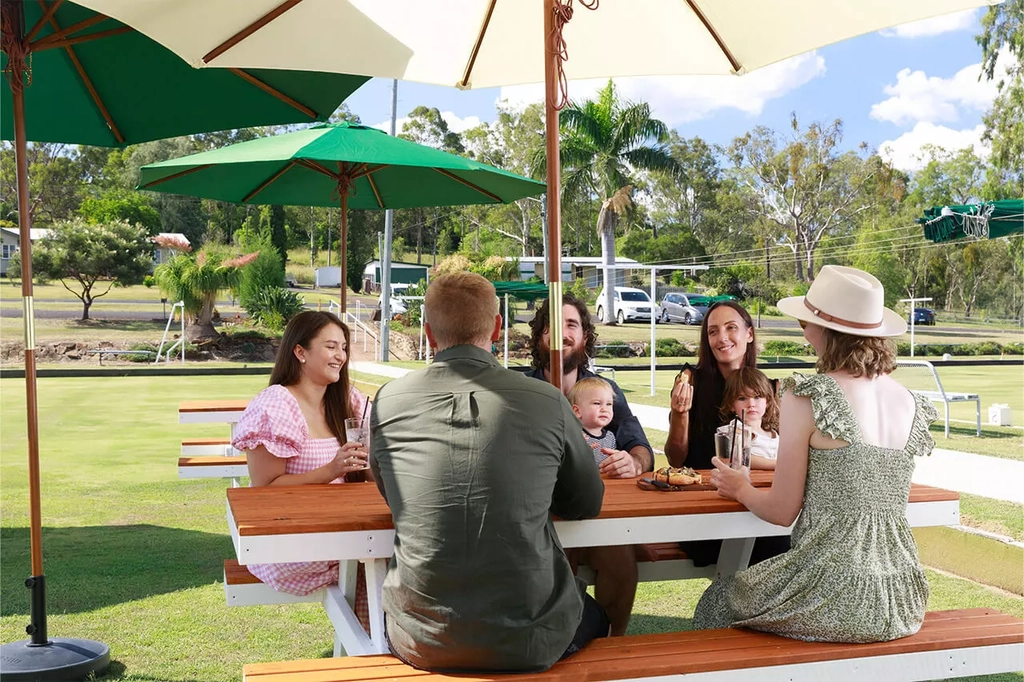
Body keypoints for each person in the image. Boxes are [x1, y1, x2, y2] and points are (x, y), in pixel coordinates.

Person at [370, 272, 608, 673]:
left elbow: (393, 495)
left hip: (420, 636)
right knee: (598, 616)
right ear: (497, 328)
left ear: (428, 333)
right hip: (534, 635)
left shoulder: (388, 401)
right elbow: (586, 501)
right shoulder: (547, 401)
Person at [694, 265, 935, 643]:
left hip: (831, 589)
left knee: (717, 599)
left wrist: (738, 486)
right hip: (900, 595)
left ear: (826, 331)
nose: (803, 332)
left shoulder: (809, 395)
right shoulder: (909, 400)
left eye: (806, 323)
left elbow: (781, 510)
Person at [232, 311, 372, 627]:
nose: (341, 356)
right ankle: (380, 653)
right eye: (331, 346)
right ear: (300, 352)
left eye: (344, 347)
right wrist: (331, 469)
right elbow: (264, 491)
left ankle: (382, 650)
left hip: (343, 532)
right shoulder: (276, 405)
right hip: (289, 542)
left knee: (399, 552)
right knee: (384, 559)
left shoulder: (347, 400)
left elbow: (371, 468)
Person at [526, 293, 653, 636]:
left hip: (599, 513)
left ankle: (612, 647)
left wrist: (633, 462)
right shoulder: (523, 390)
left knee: (621, 558)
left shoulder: (605, 391)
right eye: (554, 325)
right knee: (556, 560)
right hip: (541, 519)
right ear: (540, 336)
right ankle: (558, 644)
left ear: (585, 336)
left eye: (572, 324)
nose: (564, 333)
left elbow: (640, 446)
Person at [665, 300, 789, 566]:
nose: (722, 338)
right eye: (712, 331)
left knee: (783, 540)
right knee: (775, 545)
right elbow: (676, 460)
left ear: (749, 334)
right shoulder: (691, 382)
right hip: (706, 509)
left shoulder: (770, 390)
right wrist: (680, 413)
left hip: (756, 505)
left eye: (731, 328)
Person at [716, 367, 780, 469]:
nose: (751, 404)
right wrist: (779, 464)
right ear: (731, 405)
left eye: (757, 397)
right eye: (742, 398)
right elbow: (740, 459)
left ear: (767, 401)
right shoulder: (736, 429)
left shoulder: (773, 434)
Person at [568, 376, 617, 464]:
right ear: (577, 411)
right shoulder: (575, 436)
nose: (604, 409)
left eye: (609, 404)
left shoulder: (610, 437)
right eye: (597, 403)